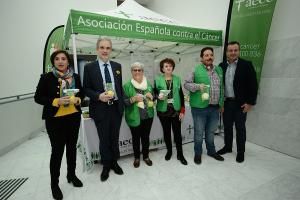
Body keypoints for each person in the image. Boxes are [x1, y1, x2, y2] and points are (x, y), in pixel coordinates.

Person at [34, 50, 84, 200]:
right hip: (55, 120)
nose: (60, 61)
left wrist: (78, 100)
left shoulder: (75, 77)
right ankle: (54, 185)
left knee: (72, 149)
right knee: (57, 152)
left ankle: (71, 175)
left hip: (73, 117)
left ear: (68, 61)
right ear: (53, 62)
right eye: (57, 59)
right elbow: (38, 97)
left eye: (63, 59)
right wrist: (56, 101)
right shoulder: (46, 78)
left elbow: (81, 93)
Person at [83, 38, 124, 182]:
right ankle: (106, 165)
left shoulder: (117, 66)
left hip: (116, 109)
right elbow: (86, 89)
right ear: (97, 50)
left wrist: (122, 104)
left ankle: (114, 162)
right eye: (102, 47)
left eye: (108, 48)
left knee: (114, 137)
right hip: (100, 108)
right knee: (104, 139)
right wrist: (98, 96)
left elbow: (119, 87)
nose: (105, 50)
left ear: (111, 50)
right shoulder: (89, 67)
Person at [217, 41, 258, 163]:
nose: (233, 52)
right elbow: (219, 85)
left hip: (240, 104)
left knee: (240, 128)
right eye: (230, 50)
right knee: (227, 127)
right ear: (226, 52)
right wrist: (221, 103)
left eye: (235, 50)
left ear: (239, 51)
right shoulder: (221, 66)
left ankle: (241, 152)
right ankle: (228, 147)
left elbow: (253, 85)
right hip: (226, 103)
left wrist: (250, 103)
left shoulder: (246, 65)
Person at [184, 47, 225, 164]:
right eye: (206, 55)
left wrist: (221, 103)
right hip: (199, 108)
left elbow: (221, 88)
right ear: (202, 58)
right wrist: (197, 86)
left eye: (211, 55)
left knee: (211, 131)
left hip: (214, 107)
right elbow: (186, 84)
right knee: (198, 132)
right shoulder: (195, 69)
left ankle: (211, 151)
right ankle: (198, 153)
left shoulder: (219, 70)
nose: (209, 57)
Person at [154, 58, 188, 165]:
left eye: (170, 66)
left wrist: (182, 110)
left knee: (177, 133)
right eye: (166, 66)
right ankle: (169, 151)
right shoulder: (158, 79)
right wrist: (157, 96)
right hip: (163, 110)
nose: (168, 68)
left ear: (173, 67)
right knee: (167, 132)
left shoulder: (177, 79)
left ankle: (180, 154)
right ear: (162, 69)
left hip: (176, 110)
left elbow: (181, 96)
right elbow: (154, 93)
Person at [123, 62, 154, 168]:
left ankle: (146, 156)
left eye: (139, 70)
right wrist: (133, 99)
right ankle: (137, 158)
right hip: (134, 117)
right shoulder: (126, 86)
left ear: (142, 71)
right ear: (131, 72)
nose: (137, 72)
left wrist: (151, 96)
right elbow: (124, 102)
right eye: (134, 70)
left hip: (148, 116)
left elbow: (153, 97)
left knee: (146, 138)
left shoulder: (148, 84)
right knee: (136, 138)